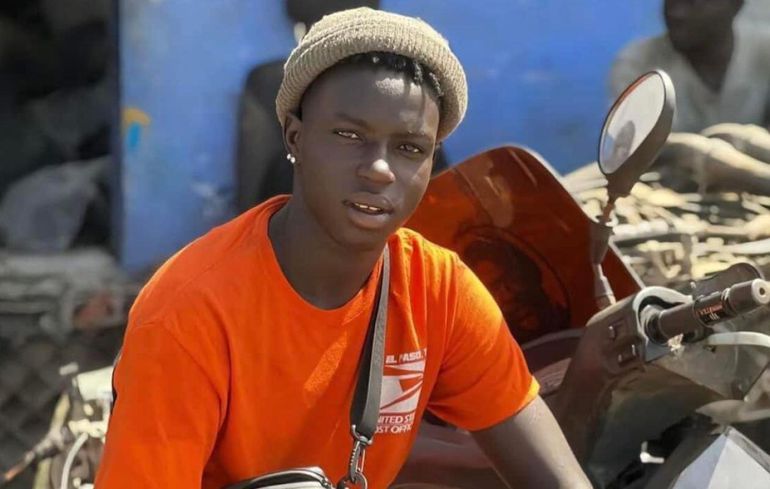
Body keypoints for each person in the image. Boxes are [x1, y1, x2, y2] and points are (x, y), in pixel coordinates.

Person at [95, 8, 590, 489]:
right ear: (295, 137)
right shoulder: (190, 312)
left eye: (410, 148)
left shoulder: (439, 290)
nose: (380, 169)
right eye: (350, 135)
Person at [609, 0, 770, 133]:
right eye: (671, 2)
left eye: (692, 2)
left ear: (736, 4)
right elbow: (634, 152)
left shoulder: (764, 53)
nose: (676, 13)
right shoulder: (638, 65)